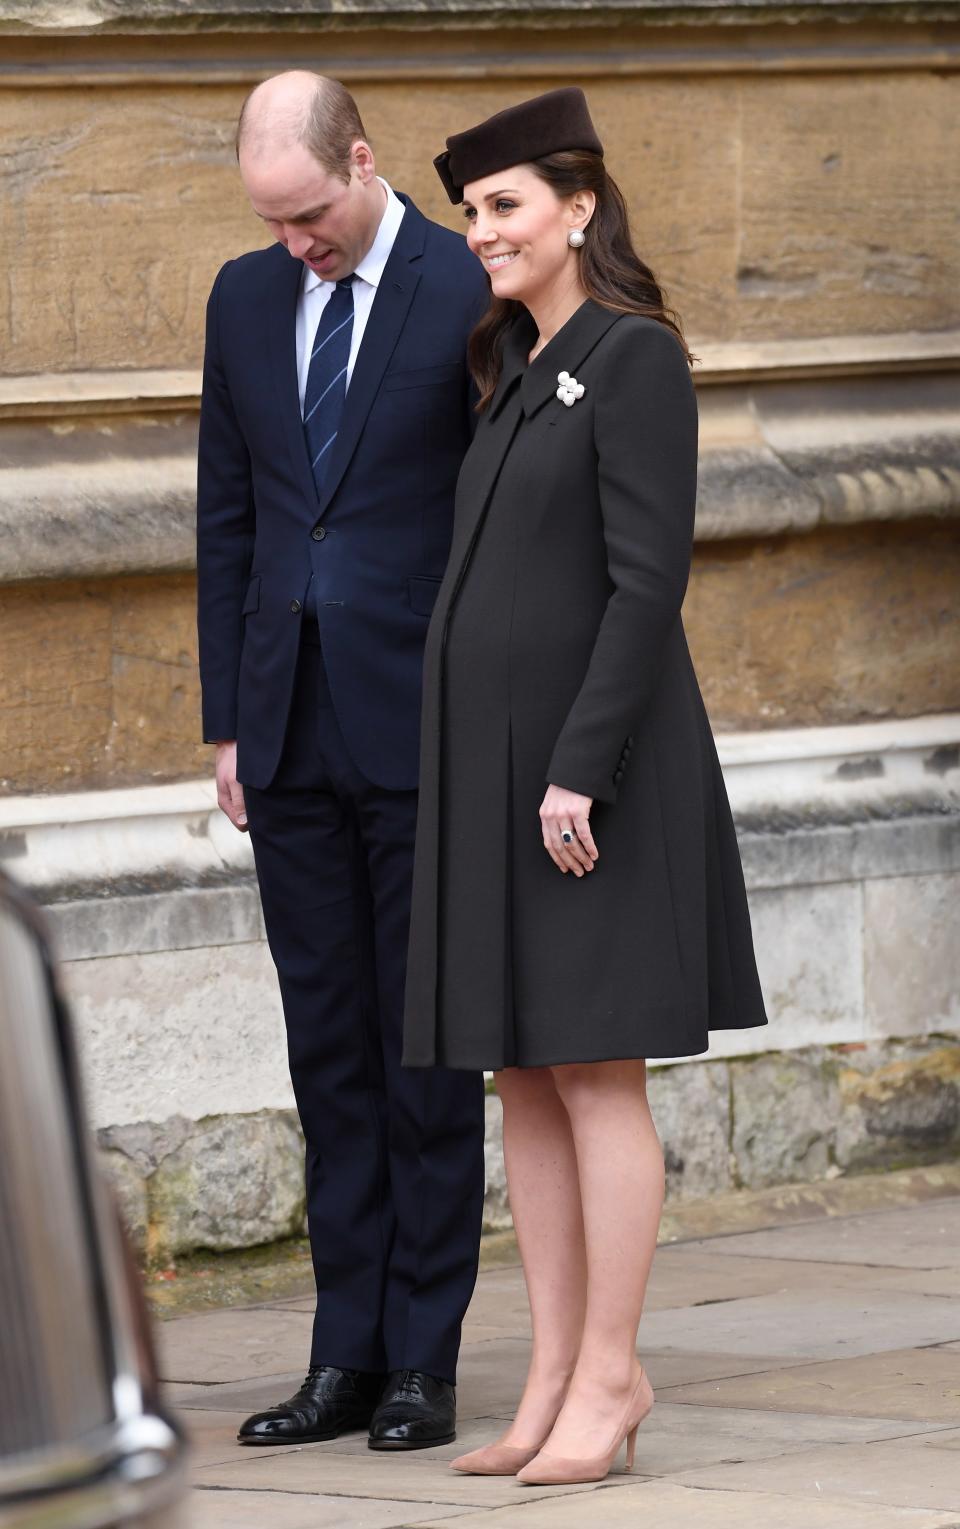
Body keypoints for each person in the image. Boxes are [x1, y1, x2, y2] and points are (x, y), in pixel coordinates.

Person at [403, 87, 769, 1486]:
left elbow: (644, 581)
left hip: (587, 779)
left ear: (579, 208)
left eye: (504, 206)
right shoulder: (511, 362)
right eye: (473, 211)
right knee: (525, 1075)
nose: (483, 232)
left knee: (598, 1073)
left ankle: (614, 1375)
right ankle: (553, 1370)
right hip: (495, 781)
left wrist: (576, 769)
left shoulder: (633, 360)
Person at [196, 71, 488, 1452]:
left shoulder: (463, 283)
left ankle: (425, 1358)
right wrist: (227, 720)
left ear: (362, 162)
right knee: (329, 1057)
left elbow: (506, 521)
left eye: (310, 216)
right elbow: (228, 517)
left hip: (427, 726)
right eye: (274, 223)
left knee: (424, 1054)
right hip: (288, 732)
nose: (296, 244)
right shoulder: (245, 300)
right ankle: (345, 1353)